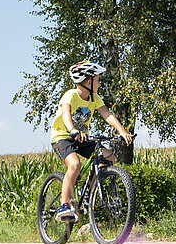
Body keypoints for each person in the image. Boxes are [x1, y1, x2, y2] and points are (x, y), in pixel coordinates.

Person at [47, 60, 133, 223]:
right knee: (74, 165)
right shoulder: (71, 95)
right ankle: (63, 205)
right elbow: (66, 113)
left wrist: (122, 131)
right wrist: (72, 129)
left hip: (82, 137)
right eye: (98, 80)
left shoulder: (95, 98)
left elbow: (107, 114)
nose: (99, 83)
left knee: (109, 158)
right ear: (88, 81)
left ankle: (88, 194)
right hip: (62, 136)